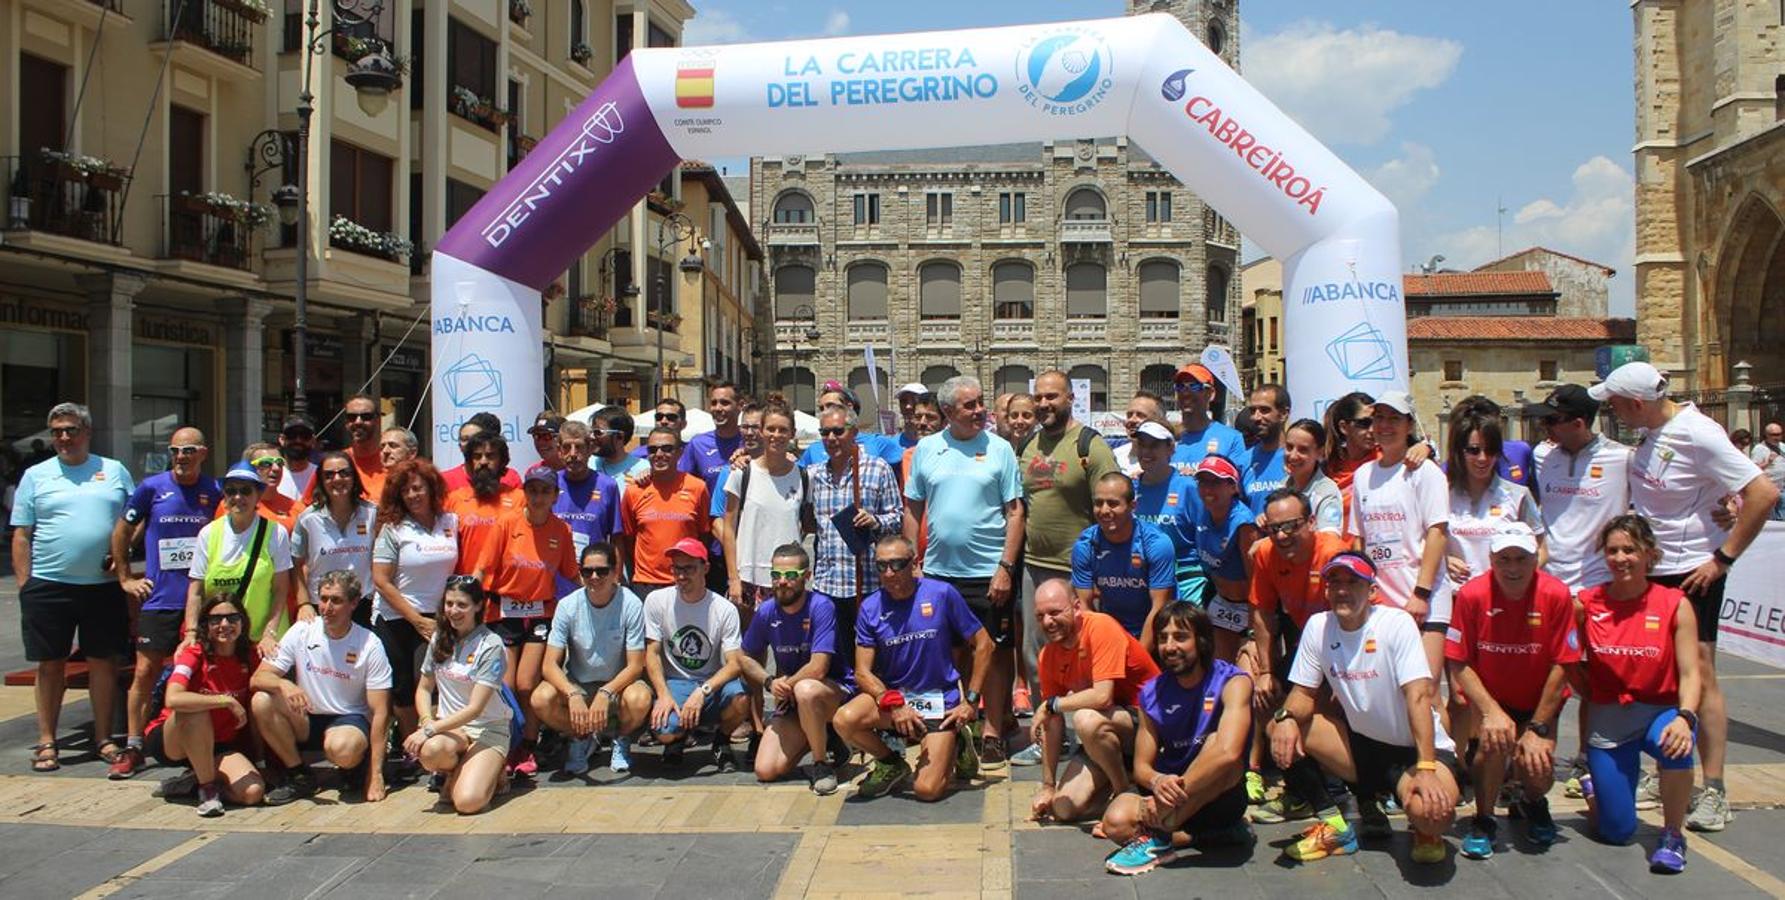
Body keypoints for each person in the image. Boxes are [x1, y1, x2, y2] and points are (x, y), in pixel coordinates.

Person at [1594, 360, 1777, 832]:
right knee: (1667, 676)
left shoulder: (1699, 432)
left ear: (1635, 403)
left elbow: (1761, 493)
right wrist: (1723, 502)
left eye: (1613, 403)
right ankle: (1671, 766)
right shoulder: (1651, 434)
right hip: (1657, 571)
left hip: (1692, 574)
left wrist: (1724, 558)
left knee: (1702, 672)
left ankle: (1714, 788)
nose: (1609, 410)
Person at [1269, 552, 1461, 865]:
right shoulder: (1318, 627)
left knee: (1431, 815)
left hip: (1418, 750)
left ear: (1372, 591)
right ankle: (1336, 827)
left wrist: (1426, 769)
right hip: (1363, 749)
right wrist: (1286, 717)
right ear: (1326, 589)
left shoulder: (1396, 623)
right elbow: (1302, 694)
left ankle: (1424, 828)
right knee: (1280, 729)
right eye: (1335, 582)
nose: (1342, 590)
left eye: (1353, 582)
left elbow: (1418, 697)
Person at [904, 375, 1025, 765]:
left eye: (980, 403)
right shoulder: (927, 449)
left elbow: (1015, 511)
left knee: (995, 652)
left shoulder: (1000, 448)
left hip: (988, 571)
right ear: (947, 413)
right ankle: (954, 724)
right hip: (939, 572)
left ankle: (992, 729)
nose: (980, 411)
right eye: (969, 406)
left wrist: (1005, 567)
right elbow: (913, 508)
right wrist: (913, 563)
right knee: (949, 653)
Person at [1572, 514, 1703, 873]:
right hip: (1609, 721)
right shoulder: (1586, 604)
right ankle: (1594, 787)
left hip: (1659, 711)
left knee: (1678, 743)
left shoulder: (1674, 603)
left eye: (1629, 549)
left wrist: (1685, 716)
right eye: (1612, 550)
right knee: (1617, 832)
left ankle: (1673, 834)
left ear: (1650, 554)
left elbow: (1692, 673)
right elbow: (1562, 656)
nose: (1620, 558)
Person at [11, 402, 134, 773]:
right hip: (49, 586)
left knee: (103, 662)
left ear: (87, 432)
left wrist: (122, 554)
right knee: (50, 665)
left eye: (71, 430)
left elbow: (134, 518)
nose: (64, 437)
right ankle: (47, 740)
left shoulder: (113, 471)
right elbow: (21, 534)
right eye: (57, 431)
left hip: (103, 586)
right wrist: (25, 585)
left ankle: (103, 739)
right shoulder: (36, 475)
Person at [1445, 524, 1575, 858]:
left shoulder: (1557, 594)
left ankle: (1532, 800)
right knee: (1490, 751)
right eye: (1504, 559)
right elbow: (1459, 661)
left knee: (1538, 767)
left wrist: (1538, 728)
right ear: (1491, 559)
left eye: (1521, 559)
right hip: (1494, 698)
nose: (1513, 568)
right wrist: (1490, 711)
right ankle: (1484, 818)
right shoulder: (1472, 595)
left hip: (1537, 702)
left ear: (1536, 559)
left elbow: (1564, 665)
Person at [836, 536, 996, 801]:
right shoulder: (870, 607)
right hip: (896, 700)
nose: (889, 573)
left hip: (939, 700)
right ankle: (890, 762)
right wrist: (893, 702)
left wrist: (971, 700)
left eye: (897, 564)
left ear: (914, 564)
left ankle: (957, 741)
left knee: (927, 791)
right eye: (881, 566)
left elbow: (984, 644)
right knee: (844, 719)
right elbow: (862, 672)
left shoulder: (942, 594)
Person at [1099, 603, 1254, 876]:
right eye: (1162, 638)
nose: (1169, 647)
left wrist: (1169, 802)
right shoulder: (1151, 693)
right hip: (1169, 791)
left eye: (1180, 637)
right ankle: (1198, 836)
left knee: (1219, 745)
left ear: (1202, 641)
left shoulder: (1233, 681)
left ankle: (1160, 836)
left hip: (1218, 792)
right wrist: (1158, 781)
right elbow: (1142, 768)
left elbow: (1230, 753)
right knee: (1115, 822)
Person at [111, 426, 219, 779]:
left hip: (201, 602)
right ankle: (134, 745)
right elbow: (123, 529)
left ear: (203, 453)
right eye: (175, 451)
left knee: (199, 673)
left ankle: (198, 741)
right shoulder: (151, 488)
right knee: (145, 671)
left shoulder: (215, 491)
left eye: (188, 451)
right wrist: (126, 577)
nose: (181, 458)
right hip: (159, 600)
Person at [1018, 371, 1120, 732]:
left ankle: (1085, 735)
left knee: (1081, 655)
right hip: (1033, 567)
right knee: (1036, 656)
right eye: (1039, 398)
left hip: (1077, 571)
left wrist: (1098, 571)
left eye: (1052, 397)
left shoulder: (1090, 445)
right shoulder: (1027, 445)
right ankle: (1044, 733)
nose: (1044, 404)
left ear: (1070, 398)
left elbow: (1112, 506)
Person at [1245, 488, 1352, 815]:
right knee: (1263, 696)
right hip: (1305, 644)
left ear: (1312, 522)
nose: (1282, 535)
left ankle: (1336, 792)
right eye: (1274, 528)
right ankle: (1300, 790)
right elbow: (1262, 614)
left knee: (1309, 710)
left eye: (1291, 526)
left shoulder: (1333, 553)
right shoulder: (1265, 554)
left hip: (1344, 647)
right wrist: (1265, 672)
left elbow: (1356, 615)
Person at [472, 464, 581, 775]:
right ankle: (505, 742)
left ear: (555, 495)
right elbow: (482, 568)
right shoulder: (506, 523)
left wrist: (602, 594)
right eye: (533, 490)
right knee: (504, 683)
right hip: (502, 611)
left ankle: (528, 746)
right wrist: (466, 600)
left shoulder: (562, 531)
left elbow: (571, 574)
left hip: (540, 614)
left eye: (545, 491)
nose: (538, 496)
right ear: (525, 493)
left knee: (526, 682)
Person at [250, 570, 391, 804]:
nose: (327, 607)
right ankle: (299, 775)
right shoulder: (302, 630)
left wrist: (376, 775)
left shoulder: (369, 644)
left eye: (336, 600)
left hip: (348, 719)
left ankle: (356, 766)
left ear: (354, 603)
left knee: (343, 748)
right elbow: (257, 678)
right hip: (307, 717)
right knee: (262, 700)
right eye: (323, 599)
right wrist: (283, 684)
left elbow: (381, 713)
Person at [1028, 580, 1160, 824]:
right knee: (1063, 809)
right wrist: (1048, 785)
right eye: (1040, 616)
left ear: (1076, 607)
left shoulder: (1101, 626)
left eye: (1055, 612)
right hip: (1106, 733)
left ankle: (1124, 794)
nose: (1048, 621)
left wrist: (1051, 705)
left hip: (1147, 724)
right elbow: (1052, 723)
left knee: (1085, 719)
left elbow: (1102, 696)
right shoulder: (1048, 656)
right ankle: (1121, 782)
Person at [1346, 389, 1451, 675]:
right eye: (1379, 418)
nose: (1385, 426)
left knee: (1426, 692)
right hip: (1382, 603)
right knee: (1389, 690)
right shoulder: (1363, 475)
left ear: (1409, 425)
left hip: (1423, 601)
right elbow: (1359, 539)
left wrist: (1421, 593)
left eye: (1394, 418)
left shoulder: (1426, 472)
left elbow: (1437, 532)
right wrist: (1361, 591)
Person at [737, 544, 852, 793]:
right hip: (792, 699)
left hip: (832, 693)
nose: (782, 582)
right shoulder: (766, 611)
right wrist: (769, 682)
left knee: (806, 689)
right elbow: (743, 657)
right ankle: (825, 735)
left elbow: (819, 667)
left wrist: (786, 685)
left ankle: (821, 764)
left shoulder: (821, 606)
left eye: (790, 576)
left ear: (806, 577)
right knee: (765, 770)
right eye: (776, 575)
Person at [532, 542, 652, 776]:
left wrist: (607, 692)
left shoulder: (631, 603)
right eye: (588, 571)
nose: (594, 577)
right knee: (540, 699)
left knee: (640, 699)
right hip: (580, 683)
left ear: (615, 572)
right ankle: (581, 735)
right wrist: (572, 692)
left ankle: (620, 737)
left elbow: (636, 665)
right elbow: (549, 665)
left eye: (602, 571)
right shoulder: (567, 606)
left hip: (619, 686)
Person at [143, 594, 266, 816]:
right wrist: (224, 700)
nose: (225, 625)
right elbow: (173, 699)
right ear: (205, 625)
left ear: (243, 622)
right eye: (216, 620)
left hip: (219, 743)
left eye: (232, 618)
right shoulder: (194, 653)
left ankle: (190, 784)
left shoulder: (250, 655)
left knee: (252, 792)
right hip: (173, 738)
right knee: (196, 710)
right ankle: (207, 790)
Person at [371, 459, 458, 753]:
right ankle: (413, 748)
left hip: (440, 618)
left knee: (432, 682)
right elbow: (381, 581)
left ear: (431, 489)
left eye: (418, 488)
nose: (412, 495)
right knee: (403, 688)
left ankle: (436, 742)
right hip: (397, 617)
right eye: (405, 491)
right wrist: (416, 620)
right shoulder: (393, 530)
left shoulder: (451, 522)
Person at [405, 577, 510, 814]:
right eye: (449, 603)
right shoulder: (439, 638)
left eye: (462, 605)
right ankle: (458, 771)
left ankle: (495, 772)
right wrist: (426, 722)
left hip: (487, 729)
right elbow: (423, 689)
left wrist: (429, 730)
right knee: (430, 752)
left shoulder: (491, 645)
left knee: (467, 803)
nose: (454, 611)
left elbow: (475, 708)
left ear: (478, 606)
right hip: (450, 729)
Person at [644, 539, 750, 766]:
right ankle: (677, 739)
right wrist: (663, 695)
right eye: (676, 568)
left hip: (710, 682)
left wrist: (703, 691)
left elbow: (734, 663)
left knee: (741, 699)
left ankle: (721, 740)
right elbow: (651, 653)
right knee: (663, 730)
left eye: (689, 568)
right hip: (676, 682)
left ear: (706, 568)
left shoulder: (724, 609)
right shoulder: (656, 601)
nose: (682, 576)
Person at [806, 406, 904, 627]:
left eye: (838, 431)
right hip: (827, 586)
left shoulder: (878, 469)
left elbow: (898, 519)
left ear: (854, 432)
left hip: (868, 584)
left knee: (869, 655)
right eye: (824, 432)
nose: (831, 438)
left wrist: (875, 521)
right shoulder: (814, 475)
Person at [189, 462, 297, 660]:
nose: (238, 497)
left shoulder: (275, 533)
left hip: (266, 642)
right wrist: (191, 633)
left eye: (246, 491)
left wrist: (269, 633)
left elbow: (281, 590)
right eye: (231, 491)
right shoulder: (208, 533)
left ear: (258, 495)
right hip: (224, 642)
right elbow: (196, 591)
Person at [723, 403, 808, 616]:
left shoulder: (805, 477)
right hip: (748, 578)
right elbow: (728, 529)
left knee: (789, 646)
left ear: (792, 434)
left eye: (783, 430)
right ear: (762, 431)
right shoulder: (741, 474)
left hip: (788, 578)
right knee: (751, 647)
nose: (776, 435)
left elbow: (806, 523)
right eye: (771, 429)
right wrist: (733, 578)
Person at [1071, 473, 1175, 647]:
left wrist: (1139, 658)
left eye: (1113, 503)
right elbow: (1085, 607)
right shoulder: (1085, 545)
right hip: (1112, 631)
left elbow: (1159, 608)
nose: (1104, 510)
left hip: (1155, 631)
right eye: (1098, 503)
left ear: (1132, 506)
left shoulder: (1157, 544)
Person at [1445, 414, 1546, 587]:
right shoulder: (1442, 494)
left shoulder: (1517, 495)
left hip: (1503, 598)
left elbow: (1542, 549)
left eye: (1491, 450)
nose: (1483, 458)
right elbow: (1423, 542)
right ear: (1459, 452)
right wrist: (1443, 561)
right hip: (1454, 599)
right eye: (1474, 450)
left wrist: (1516, 579)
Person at [619, 428, 711, 595]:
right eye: (653, 449)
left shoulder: (697, 488)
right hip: (646, 584)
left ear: (680, 453)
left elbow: (703, 535)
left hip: (685, 581)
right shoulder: (634, 491)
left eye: (667, 449)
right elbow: (628, 539)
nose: (659, 454)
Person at [291, 452, 378, 626]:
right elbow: (295, 564)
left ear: (354, 477)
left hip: (363, 606)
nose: (337, 479)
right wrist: (304, 603)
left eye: (344, 473)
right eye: (329, 475)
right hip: (323, 605)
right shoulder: (307, 519)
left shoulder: (372, 514)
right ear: (321, 481)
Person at [1192, 455, 1259, 661]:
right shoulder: (1204, 511)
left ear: (1233, 487)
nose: (1207, 489)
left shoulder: (1243, 524)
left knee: (1246, 675)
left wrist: (1254, 631)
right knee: (1218, 673)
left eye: (1215, 482)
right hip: (1220, 603)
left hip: (1246, 609)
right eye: (1203, 482)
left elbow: (1256, 581)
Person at [1130, 421, 1205, 601]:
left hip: (1185, 581)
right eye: (1142, 445)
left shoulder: (1188, 487)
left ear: (1170, 448)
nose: (1146, 452)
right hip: (1142, 580)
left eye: (1154, 445)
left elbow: (1204, 536)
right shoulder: (1130, 487)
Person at [552, 420, 623, 586]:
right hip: (555, 582)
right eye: (567, 447)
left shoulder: (608, 486)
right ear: (559, 451)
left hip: (595, 579)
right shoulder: (549, 484)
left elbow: (616, 539)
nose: (573, 454)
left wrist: (616, 578)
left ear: (590, 449)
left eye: (579, 447)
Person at [445, 433, 522, 578]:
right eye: (477, 456)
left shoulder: (520, 499)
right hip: (466, 592)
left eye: (490, 456)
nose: (483, 461)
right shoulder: (453, 500)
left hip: (505, 593)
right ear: (469, 462)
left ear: (502, 461)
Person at [1171, 364, 1246, 466]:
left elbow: (1235, 479)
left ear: (1210, 394)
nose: (1186, 393)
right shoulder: (1166, 438)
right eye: (1180, 387)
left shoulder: (1231, 439)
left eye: (1194, 386)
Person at [1281, 419, 1343, 534]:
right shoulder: (1281, 486)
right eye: (1289, 447)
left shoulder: (1327, 492)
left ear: (1320, 453)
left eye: (1303, 450)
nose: (1293, 456)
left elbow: (1330, 539)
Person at [1238, 385, 1291, 513]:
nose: (1256, 417)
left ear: (1283, 414)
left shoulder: (1296, 458)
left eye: (1264, 410)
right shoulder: (1243, 462)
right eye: (1252, 411)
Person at [440, 413, 522, 494]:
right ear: (459, 445)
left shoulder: (511, 477)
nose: (470, 443)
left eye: (476, 438)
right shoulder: (445, 480)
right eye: (465, 439)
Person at [238, 443, 301, 535]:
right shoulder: (233, 505)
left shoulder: (297, 509)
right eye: (266, 463)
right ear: (249, 468)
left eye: (280, 463)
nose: (276, 468)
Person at [590, 406, 650, 495]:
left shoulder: (644, 470)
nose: (592, 437)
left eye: (598, 432)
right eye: (591, 431)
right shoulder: (588, 465)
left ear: (619, 436)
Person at [341, 394, 388, 500]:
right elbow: (303, 505)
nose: (358, 422)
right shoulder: (337, 463)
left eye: (366, 417)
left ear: (377, 420)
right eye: (352, 417)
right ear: (346, 422)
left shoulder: (391, 461)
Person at [1113, 392, 1172, 477]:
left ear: (1160, 420)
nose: (1132, 420)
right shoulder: (1114, 457)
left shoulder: (1174, 459)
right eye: (1129, 415)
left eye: (1141, 415)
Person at [275, 414, 320, 503]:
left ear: (313, 441)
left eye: (305, 436)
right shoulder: (271, 476)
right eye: (292, 435)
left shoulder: (321, 476)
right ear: (282, 439)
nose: (298, 440)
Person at [1749, 421, 1785, 521]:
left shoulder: (1782, 447)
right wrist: (1768, 462)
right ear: (1766, 435)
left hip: (1782, 488)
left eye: (1780, 434)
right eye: (1774, 435)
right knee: (1770, 520)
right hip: (1768, 490)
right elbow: (1753, 469)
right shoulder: (1759, 449)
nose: (1777, 437)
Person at [896, 382, 930, 449]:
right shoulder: (888, 445)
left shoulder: (941, 445)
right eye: (903, 401)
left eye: (914, 401)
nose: (908, 406)